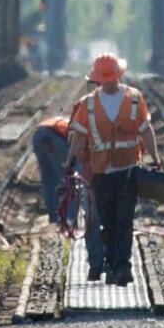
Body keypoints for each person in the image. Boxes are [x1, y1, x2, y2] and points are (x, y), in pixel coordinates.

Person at [66, 54, 162, 286]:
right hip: (101, 173)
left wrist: (156, 157)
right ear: (98, 79)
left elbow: (145, 131)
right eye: (104, 79)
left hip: (128, 170)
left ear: (119, 75)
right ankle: (111, 266)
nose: (108, 82)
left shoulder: (135, 99)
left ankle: (123, 267)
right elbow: (79, 137)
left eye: (112, 78)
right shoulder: (87, 104)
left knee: (124, 221)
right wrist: (69, 162)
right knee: (107, 222)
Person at [32, 113, 105, 275]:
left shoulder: (65, 123)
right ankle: (70, 218)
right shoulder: (82, 131)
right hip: (55, 139)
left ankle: (54, 217)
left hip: (38, 135)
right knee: (71, 180)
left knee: (49, 180)